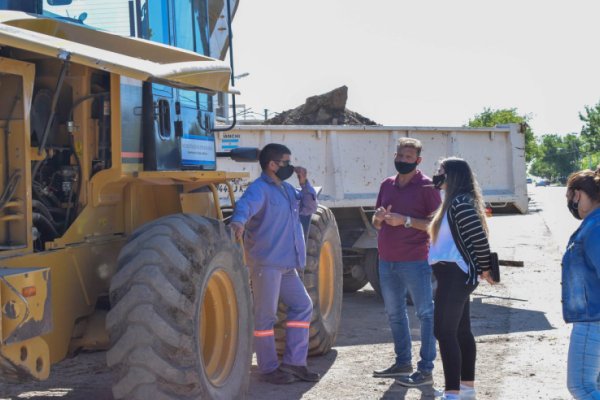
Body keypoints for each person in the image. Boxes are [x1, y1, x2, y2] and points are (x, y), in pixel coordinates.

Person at [230, 143, 320, 385]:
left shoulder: (288, 189)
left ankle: (294, 363)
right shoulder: (259, 189)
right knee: (265, 317)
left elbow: (309, 208)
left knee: (303, 306)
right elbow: (245, 206)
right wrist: (239, 222)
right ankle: (268, 369)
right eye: (286, 163)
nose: (290, 167)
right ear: (272, 165)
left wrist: (304, 183)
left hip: (287, 265)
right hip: (266, 264)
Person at [372, 137, 442, 387]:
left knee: (425, 313)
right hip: (386, 260)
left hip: (415, 261)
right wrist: (379, 218)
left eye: (408, 158)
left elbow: (437, 226)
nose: (402, 161)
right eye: (400, 156)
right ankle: (403, 362)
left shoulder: (427, 188)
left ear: (418, 161)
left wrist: (406, 220)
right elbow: (375, 222)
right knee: (394, 314)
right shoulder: (386, 184)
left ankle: (426, 369)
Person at [427, 157, 495, 400]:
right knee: (460, 331)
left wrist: (485, 268)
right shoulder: (453, 202)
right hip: (452, 274)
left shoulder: (460, 204)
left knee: (444, 332)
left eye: (441, 171)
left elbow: (479, 238)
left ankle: (452, 393)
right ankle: (466, 390)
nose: (437, 175)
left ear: (453, 175)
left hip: (456, 274)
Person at [562, 167, 600, 399]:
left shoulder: (595, 227)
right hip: (593, 317)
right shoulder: (592, 224)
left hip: (593, 320)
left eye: (569, 196)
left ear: (578, 194)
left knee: (582, 387)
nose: (569, 203)